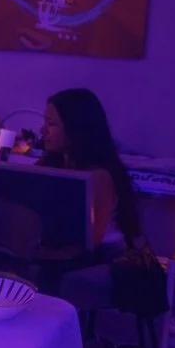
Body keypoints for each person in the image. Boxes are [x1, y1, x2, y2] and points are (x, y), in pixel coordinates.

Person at [39, 88, 142, 253]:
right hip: (63, 251)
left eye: (51, 124)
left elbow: (88, 241)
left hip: (103, 256)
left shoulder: (99, 176)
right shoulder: (51, 163)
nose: (42, 130)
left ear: (75, 128)